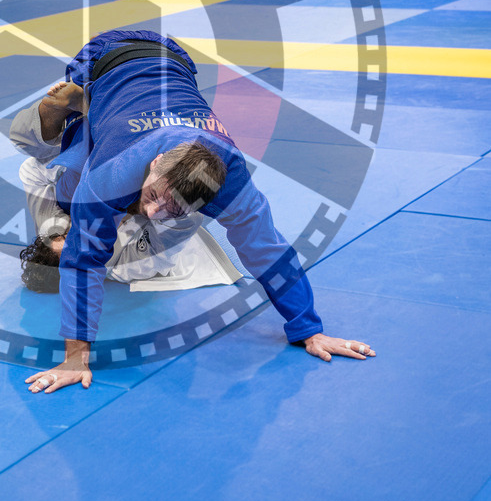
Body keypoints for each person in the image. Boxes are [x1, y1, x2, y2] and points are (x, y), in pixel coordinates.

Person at [24, 30, 375, 394]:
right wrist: (75, 358)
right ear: (157, 162)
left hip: (174, 61)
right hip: (102, 59)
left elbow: (267, 252)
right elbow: (84, 261)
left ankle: (96, 122)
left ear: (208, 202)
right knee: (75, 190)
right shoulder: (111, 172)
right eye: (155, 194)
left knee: (127, 210)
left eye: (173, 208)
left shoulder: (234, 183)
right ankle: (78, 108)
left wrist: (308, 329)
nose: (154, 211)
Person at [12, 83, 242, 292]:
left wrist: (62, 222)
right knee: (171, 193)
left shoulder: (53, 224)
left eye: (68, 239)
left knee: (42, 154)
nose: (78, 240)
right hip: (168, 192)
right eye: (77, 250)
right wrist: (165, 194)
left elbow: (30, 171)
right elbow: (182, 223)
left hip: (96, 169)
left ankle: (87, 113)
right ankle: (100, 111)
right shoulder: (126, 265)